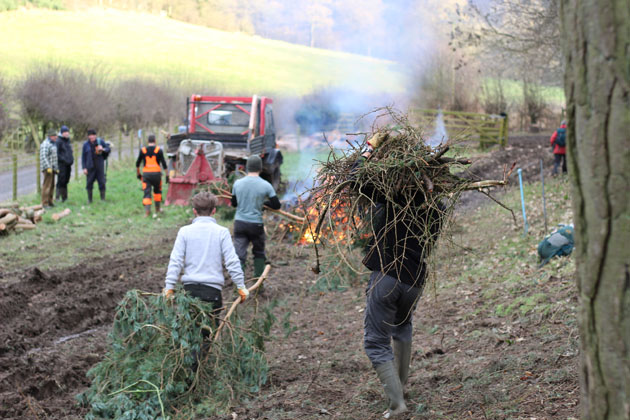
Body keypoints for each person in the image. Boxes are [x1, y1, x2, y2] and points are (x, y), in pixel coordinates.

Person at [355, 132, 444, 419]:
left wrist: (370, 147)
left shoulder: (394, 197)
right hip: (415, 280)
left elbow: (357, 178)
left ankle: (397, 404)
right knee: (402, 328)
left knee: (375, 341)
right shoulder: (437, 209)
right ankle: (400, 389)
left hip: (387, 278)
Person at [163, 191, 249, 320]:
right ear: (214, 211)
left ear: (194, 211)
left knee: (190, 333)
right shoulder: (222, 232)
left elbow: (176, 261)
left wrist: (169, 287)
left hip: (189, 292)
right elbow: (232, 261)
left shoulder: (184, 232)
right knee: (209, 334)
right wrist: (241, 286)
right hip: (212, 292)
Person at [231, 155, 281, 278]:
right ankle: (258, 282)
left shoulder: (237, 183)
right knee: (258, 252)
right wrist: (264, 204)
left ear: (247, 167)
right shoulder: (266, 185)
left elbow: (234, 203)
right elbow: (276, 205)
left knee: (239, 254)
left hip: (240, 223)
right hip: (256, 225)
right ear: (260, 168)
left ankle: (239, 283)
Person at [136, 134, 168, 217]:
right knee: (157, 191)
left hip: (146, 175)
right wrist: (167, 175)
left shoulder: (143, 150)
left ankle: (147, 212)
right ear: (155, 141)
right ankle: (157, 209)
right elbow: (164, 164)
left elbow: (137, 164)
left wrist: (138, 174)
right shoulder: (159, 150)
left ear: (148, 141)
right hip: (157, 175)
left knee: (147, 192)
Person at [81, 129, 110, 203]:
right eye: (90, 136)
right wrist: (84, 168)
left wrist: (102, 149)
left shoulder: (100, 142)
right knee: (89, 183)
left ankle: (103, 199)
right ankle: (89, 200)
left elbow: (108, 149)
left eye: (93, 136)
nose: (92, 137)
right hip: (90, 167)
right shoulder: (85, 145)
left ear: (95, 136)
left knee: (102, 182)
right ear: (88, 136)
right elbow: (83, 157)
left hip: (99, 166)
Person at [39, 129, 59, 207]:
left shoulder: (53, 144)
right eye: (55, 136)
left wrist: (56, 167)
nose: (56, 137)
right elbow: (43, 157)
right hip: (47, 168)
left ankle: (50, 201)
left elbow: (54, 157)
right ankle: (45, 203)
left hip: (52, 168)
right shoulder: (45, 144)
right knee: (47, 186)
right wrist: (48, 167)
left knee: (52, 185)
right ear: (50, 136)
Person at [55, 125, 74, 202]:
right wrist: (64, 160)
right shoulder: (58, 141)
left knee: (66, 180)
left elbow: (69, 151)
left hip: (68, 165)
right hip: (61, 164)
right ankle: (58, 197)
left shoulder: (68, 141)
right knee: (61, 180)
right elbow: (57, 153)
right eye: (65, 132)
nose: (66, 134)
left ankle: (65, 197)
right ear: (62, 133)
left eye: (67, 132)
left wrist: (71, 159)